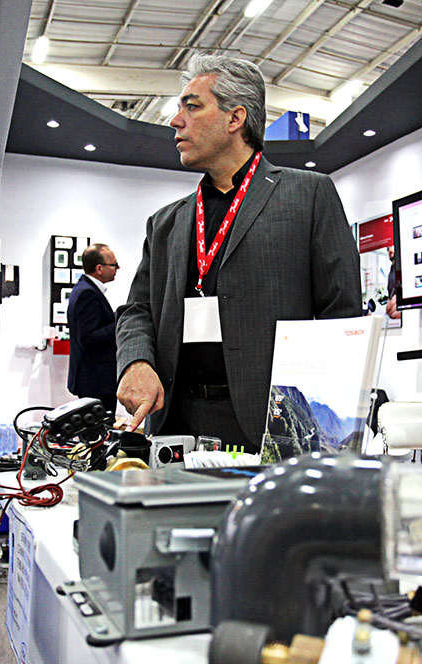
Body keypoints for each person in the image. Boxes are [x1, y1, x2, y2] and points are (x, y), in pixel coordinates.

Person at [115, 53, 360, 450]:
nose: (175, 121)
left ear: (235, 118)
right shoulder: (166, 223)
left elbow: (341, 315)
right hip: (176, 423)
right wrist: (136, 362)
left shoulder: (308, 194)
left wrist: (331, 433)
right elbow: (137, 310)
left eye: (192, 107)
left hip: (274, 425)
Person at [67, 244, 119, 411]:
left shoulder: (84, 289)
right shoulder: (87, 293)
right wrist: (120, 324)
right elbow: (88, 339)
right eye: (114, 265)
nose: (118, 268)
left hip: (94, 380)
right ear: (99, 268)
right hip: (96, 381)